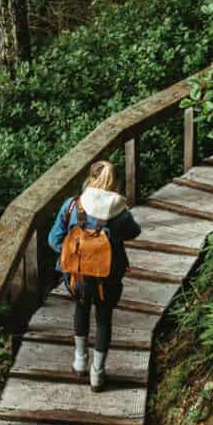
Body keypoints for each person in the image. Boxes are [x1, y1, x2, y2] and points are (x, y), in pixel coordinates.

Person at [48, 158, 141, 392]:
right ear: (115, 183)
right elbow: (135, 232)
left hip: (78, 278)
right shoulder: (120, 212)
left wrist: (76, 256)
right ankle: (97, 375)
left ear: (91, 179)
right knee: (103, 319)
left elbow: (53, 240)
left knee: (81, 308)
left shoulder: (72, 205)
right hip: (107, 276)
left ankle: (80, 361)